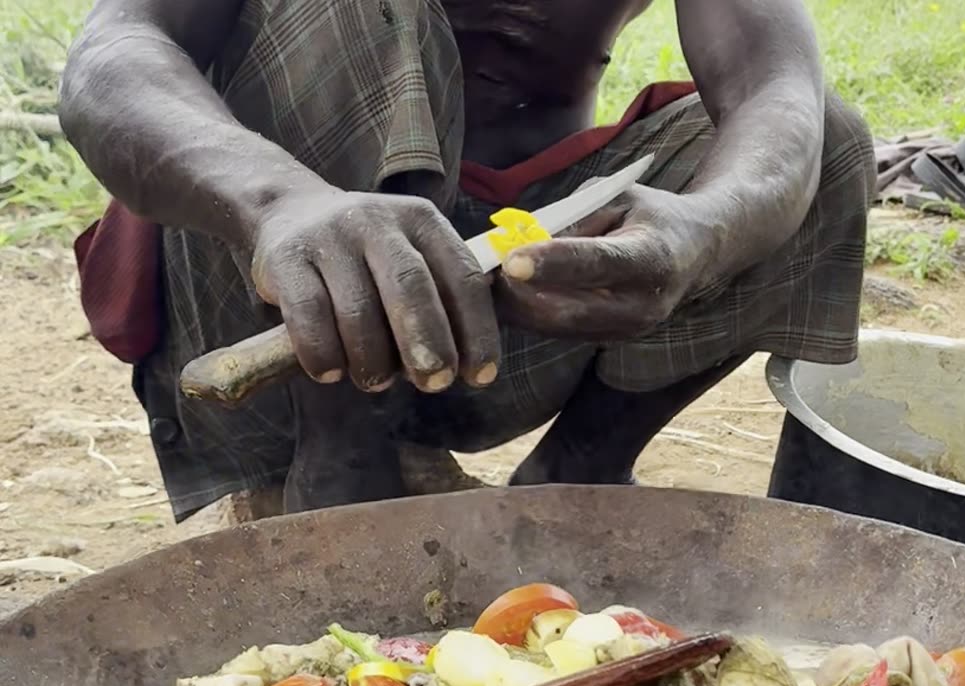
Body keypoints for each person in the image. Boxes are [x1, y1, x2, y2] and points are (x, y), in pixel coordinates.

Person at [59, 0, 874, 520]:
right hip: (270, 309)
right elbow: (113, 52)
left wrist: (702, 232)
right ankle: (340, 471)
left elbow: (780, 93)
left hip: (510, 316)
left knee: (821, 144)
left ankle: (573, 479)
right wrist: (282, 204)